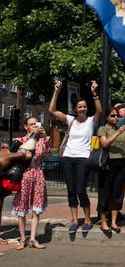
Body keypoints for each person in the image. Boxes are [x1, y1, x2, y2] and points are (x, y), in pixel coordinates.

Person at [49, 80, 101, 233]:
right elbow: (52, 110)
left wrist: (94, 94)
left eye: (84, 106)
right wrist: (56, 92)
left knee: (80, 190)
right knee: (71, 190)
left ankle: (87, 220)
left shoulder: (92, 121)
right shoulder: (71, 120)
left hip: (82, 158)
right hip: (68, 157)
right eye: (80, 107)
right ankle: (74, 220)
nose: (83, 109)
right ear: (75, 109)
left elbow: (99, 111)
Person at [11, 117, 50, 250]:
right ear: (26, 127)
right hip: (24, 176)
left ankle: (33, 239)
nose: (34, 126)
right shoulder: (20, 141)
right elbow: (16, 155)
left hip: (37, 174)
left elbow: (46, 155)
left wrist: (44, 139)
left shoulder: (41, 140)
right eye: (31, 124)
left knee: (36, 209)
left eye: (36, 124)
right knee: (22, 209)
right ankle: (22, 239)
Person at [97, 108, 125, 235]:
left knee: (117, 193)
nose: (115, 118)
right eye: (112, 115)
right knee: (105, 193)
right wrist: (118, 132)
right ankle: (103, 221)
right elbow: (105, 144)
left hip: (121, 163)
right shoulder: (103, 128)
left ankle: (114, 221)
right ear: (106, 117)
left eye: (117, 116)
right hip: (108, 164)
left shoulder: (121, 129)